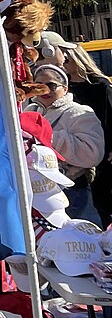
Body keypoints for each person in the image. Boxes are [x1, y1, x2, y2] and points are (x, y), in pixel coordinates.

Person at [41, 31, 112, 225]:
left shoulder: (100, 87)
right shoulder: (52, 96)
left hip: (100, 160)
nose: (64, 61)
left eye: (68, 57)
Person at [25, 61, 105, 223]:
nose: (45, 90)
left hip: (72, 191)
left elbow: (93, 154)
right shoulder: (30, 111)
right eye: (38, 85)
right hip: (35, 192)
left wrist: (49, 137)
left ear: (65, 88)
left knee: (80, 242)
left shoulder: (79, 112)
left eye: (51, 85)